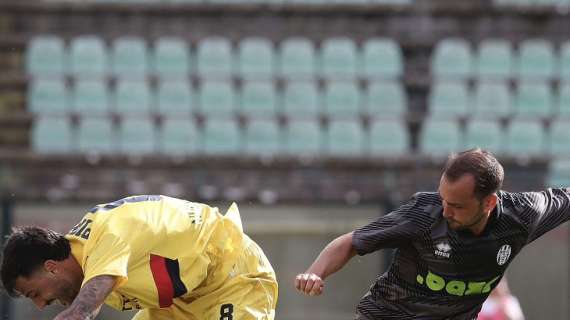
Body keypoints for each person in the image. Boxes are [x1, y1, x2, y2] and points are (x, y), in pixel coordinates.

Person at [295, 148, 569, 319]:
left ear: (489, 203)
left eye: (457, 205)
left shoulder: (522, 215)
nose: (446, 210)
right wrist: (315, 272)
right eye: (443, 199)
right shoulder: (424, 212)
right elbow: (351, 241)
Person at [1, 195, 278, 320]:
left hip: (231, 280)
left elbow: (90, 301)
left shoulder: (106, 234)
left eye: (34, 293)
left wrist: (76, 314)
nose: (40, 305)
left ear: (51, 268)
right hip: (179, 303)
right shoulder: (86, 259)